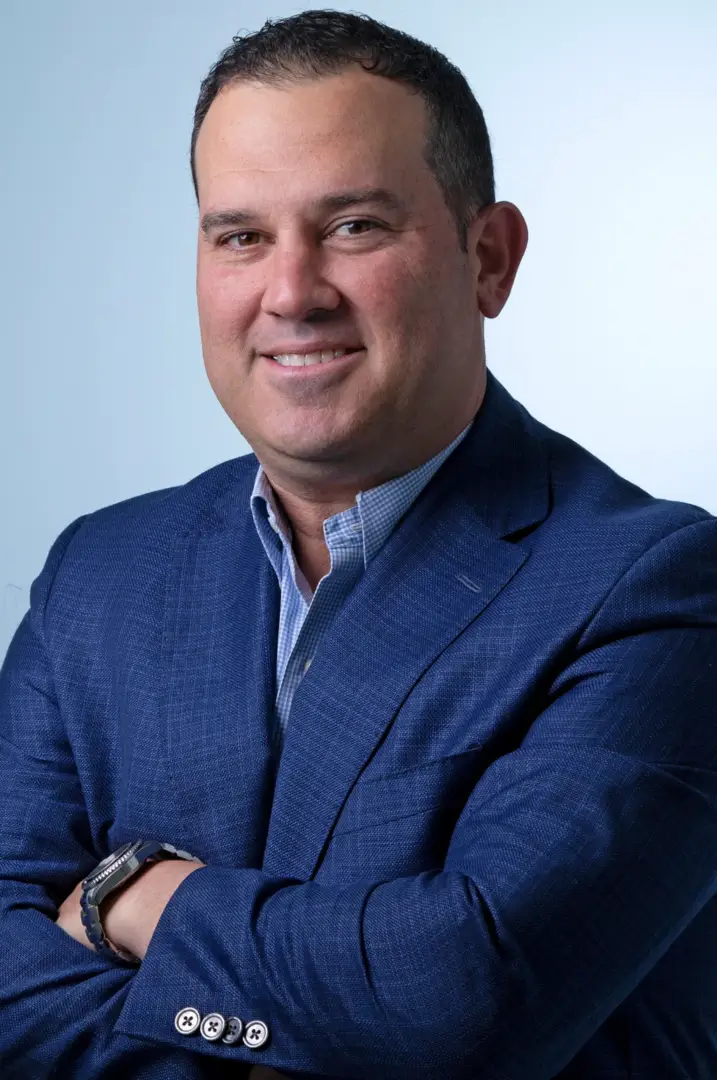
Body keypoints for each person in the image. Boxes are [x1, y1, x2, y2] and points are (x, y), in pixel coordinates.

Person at [1, 9, 716, 1079]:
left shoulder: (654, 586)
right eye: (241, 235)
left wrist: (134, 896)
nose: (291, 293)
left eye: (354, 228)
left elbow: (468, 998)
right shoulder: (101, 575)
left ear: (489, 258)